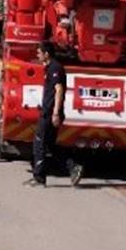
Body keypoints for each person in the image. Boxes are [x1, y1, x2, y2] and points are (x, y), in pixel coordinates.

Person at [27, 41, 83, 187]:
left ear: (47, 54)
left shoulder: (55, 68)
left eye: (39, 53)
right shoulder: (49, 68)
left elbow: (59, 90)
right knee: (50, 145)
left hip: (50, 113)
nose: (37, 55)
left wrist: (56, 113)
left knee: (39, 143)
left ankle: (39, 178)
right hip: (48, 111)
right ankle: (73, 167)